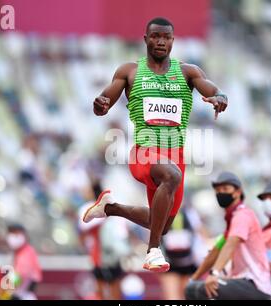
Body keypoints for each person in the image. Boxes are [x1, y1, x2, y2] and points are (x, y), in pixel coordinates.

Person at [83, 17, 228, 272]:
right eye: (155, 36)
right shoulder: (130, 71)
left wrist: (219, 97)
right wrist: (100, 105)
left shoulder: (187, 72)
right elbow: (104, 101)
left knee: (162, 222)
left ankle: (110, 207)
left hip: (175, 156)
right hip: (144, 153)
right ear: (146, 39)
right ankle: (152, 251)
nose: (161, 41)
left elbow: (212, 88)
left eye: (166, 37)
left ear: (172, 41)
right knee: (171, 177)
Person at [185, 172, 271, 300]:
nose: (220, 193)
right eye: (218, 190)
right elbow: (216, 250)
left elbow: (231, 243)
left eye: (225, 189)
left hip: (255, 284)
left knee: (195, 291)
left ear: (238, 192)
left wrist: (214, 273)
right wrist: (194, 277)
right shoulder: (232, 219)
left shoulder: (242, 215)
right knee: (193, 288)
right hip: (245, 281)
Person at [159, 205, 205, 299]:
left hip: (188, 261)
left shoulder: (190, 213)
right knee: (172, 297)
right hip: (168, 261)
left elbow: (201, 232)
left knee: (187, 295)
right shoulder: (160, 213)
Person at [5, 223, 42, 300]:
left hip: (23, 295)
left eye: (16, 233)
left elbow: (19, 278)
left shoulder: (27, 253)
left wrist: (0, 292)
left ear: (24, 235)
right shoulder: (16, 253)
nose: (13, 236)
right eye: (11, 233)